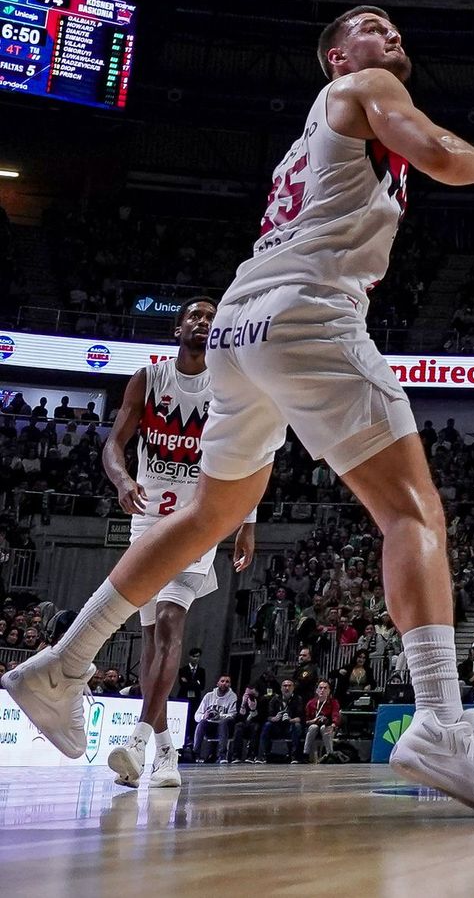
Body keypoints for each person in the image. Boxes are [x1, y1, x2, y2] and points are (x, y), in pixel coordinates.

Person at [2, 7, 474, 818]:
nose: (388, 35)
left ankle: (61, 667)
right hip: (306, 311)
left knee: (208, 517)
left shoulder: (304, 141)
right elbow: (431, 148)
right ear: (334, 56)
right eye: (367, 25)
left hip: (239, 326)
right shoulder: (366, 86)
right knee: (413, 512)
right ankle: (440, 723)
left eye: (392, 28)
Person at [99, 295, 257, 788]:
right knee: (149, 644)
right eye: (194, 315)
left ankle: (140, 738)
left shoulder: (228, 386)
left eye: (211, 317)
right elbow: (113, 444)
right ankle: (167, 755)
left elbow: (248, 455)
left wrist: (247, 522)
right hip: (148, 520)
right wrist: (123, 481)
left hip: (198, 521)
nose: (203, 321)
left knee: (170, 621)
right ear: (177, 329)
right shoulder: (149, 379)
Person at [192, 672, 237, 763]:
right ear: (217, 683)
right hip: (211, 727)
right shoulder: (209, 696)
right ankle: (195, 754)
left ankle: (222, 755)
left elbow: (233, 714)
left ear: (230, 684)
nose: (224, 683)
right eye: (222, 681)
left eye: (227, 681)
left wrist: (219, 716)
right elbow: (196, 716)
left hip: (226, 727)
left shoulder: (233, 696)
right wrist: (204, 716)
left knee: (223, 722)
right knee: (202, 722)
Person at [259, 678, 302, 762]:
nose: (287, 688)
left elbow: (300, 718)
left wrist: (290, 719)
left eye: (289, 686)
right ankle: (263, 755)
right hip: (277, 727)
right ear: (281, 688)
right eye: (285, 686)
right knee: (267, 724)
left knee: (297, 725)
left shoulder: (298, 699)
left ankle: (294, 756)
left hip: (290, 727)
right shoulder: (275, 699)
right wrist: (274, 718)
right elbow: (268, 716)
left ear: (293, 688)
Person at [302, 678, 342, 762]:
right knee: (313, 727)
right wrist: (312, 721)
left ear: (329, 690)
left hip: (328, 726)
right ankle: (305, 754)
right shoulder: (311, 703)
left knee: (324, 728)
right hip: (313, 725)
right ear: (316, 690)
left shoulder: (333, 702)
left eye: (325, 688)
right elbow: (305, 719)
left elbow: (336, 715)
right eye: (320, 688)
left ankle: (330, 754)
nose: (322, 690)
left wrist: (333, 725)